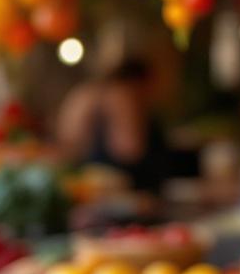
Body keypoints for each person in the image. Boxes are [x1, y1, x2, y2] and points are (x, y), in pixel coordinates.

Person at [56, 59, 170, 195]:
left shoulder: (85, 91)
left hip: (91, 182)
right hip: (122, 189)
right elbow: (129, 150)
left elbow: (67, 143)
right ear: (141, 80)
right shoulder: (121, 94)